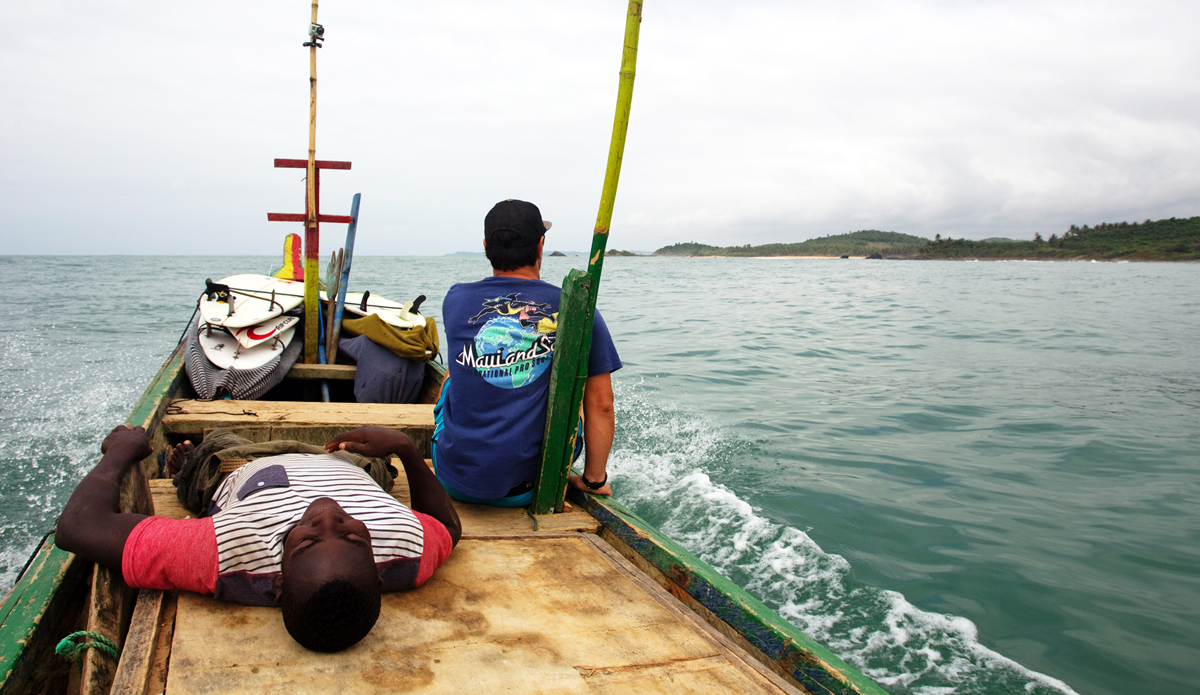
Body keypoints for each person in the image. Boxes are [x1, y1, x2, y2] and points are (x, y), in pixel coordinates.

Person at [55, 423, 461, 653]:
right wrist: (407, 450)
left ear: (278, 581)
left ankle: (186, 464)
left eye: (306, 541)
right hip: (349, 461)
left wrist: (122, 451)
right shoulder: (408, 549)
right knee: (379, 462)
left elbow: (78, 527)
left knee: (217, 442)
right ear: (377, 573)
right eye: (352, 537)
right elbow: (450, 530)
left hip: (244, 466)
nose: (328, 515)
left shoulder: (224, 552)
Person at [434, 199, 622, 507]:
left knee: (452, 377)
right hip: (528, 488)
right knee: (580, 396)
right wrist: (594, 481)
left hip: (453, 479)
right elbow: (602, 404)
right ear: (540, 245)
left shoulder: (455, 299)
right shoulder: (575, 307)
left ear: (485, 245)